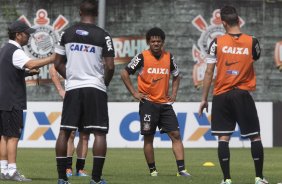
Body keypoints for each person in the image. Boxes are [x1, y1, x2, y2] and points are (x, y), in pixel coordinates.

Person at [198, 5, 268, 184]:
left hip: (221, 95)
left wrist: (204, 99)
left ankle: (227, 180)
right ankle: (259, 178)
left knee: (223, 137)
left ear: (223, 23)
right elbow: (255, 57)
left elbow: (208, 72)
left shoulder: (216, 42)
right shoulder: (252, 42)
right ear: (238, 20)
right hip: (242, 94)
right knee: (255, 136)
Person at [54, 0, 115, 183]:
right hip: (95, 87)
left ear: (80, 12)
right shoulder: (104, 36)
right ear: (96, 14)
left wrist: (71, 77)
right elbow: (110, 67)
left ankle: (62, 178)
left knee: (65, 132)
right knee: (99, 133)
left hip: (73, 88)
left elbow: (57, 64)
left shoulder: (66, 33)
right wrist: (104, 83)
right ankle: (95, 179)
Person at [120, 27, 191, 177]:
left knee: (176, 135)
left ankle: (182, 170)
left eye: (159, 41)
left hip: (165, 105)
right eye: (153, 41)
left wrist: (174, 93)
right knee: (149, 137)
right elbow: (124, 73)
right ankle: (153, 171)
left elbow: (177, 76)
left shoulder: (169, 57)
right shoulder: (142, 57)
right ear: (148, 42)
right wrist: (134, 92)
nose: (156, 43)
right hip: (148, 104)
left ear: (163, 42)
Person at [0, 20, 55, 181]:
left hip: (3, 100)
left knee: (3, 136)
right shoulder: (16, 51)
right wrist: (53, 58)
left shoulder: (4, 49)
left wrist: (27, 74)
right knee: (13, 136)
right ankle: (12, 171)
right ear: (18, 35)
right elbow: (31, 63)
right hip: (12, 100)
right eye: (26, 34)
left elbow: (8, 72)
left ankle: (3, 169)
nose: (28, 36)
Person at [49, 64, 89, 177]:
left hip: (89, 98)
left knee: (85, 135)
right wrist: (60, 90)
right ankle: (68, 168)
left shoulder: (90, 53)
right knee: (70, 134)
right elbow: (52, 68)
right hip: (72, 97)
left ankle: (80, 169)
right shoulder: (69, 50)